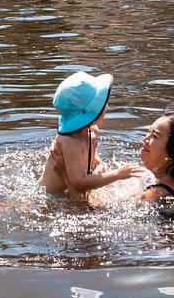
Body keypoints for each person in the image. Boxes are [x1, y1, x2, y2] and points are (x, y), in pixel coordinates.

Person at [39, 72, 140, 201]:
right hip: (51, 197)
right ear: (87, 114)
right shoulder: (70, 142)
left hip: (71, 194)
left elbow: (95, 163)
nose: (105, 106)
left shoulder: (91, 132)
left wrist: (100, 169)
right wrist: (117, 174)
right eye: (99, 104)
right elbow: (79, 183)